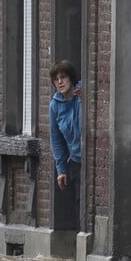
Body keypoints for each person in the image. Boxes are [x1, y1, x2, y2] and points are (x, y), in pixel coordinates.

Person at [49, 60, 82, 227]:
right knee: (77, 202)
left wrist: (83, 97)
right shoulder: (55, 106)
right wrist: (61, 169)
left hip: (92, 158)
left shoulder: (82, 95)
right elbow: (57, 140)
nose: (60, 82)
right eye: (56, 79)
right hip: (75, 160)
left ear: (72, 78)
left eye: (63, 77)